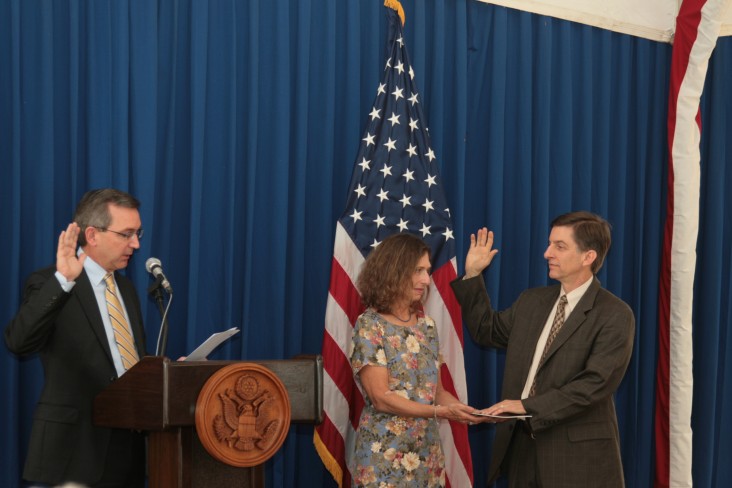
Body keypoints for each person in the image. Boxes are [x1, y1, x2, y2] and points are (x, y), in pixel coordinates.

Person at [451, 211, 635, 488]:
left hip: (576, 456)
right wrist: (473, 274)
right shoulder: (532, 301)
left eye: (560, 246)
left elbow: (595, 385)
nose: (547, 253)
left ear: (588, 257)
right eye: (550, 244)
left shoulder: (615, 314)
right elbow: (486, 331)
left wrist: (526, 406)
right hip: (522, 449)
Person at [5, 188, 147, 487]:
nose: (135, 243)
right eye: (126, 234)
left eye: (138, 233)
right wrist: (64, 281)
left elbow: (127, 362)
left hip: (129, 450)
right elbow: (19, 342)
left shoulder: (128, 290)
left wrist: (166, 374)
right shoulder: (49, 283)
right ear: (92, 235)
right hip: (74, 450)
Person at [349, 232, 477, 487]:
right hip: (383, 457)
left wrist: (466, 412)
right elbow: (381, 398)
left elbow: (437, 392)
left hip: (427, 456)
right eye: (418, 270)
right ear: (393, 271)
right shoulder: (369, 325)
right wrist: (440, 412)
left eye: (427, 271)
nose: (426, 280)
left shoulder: (427, 326)